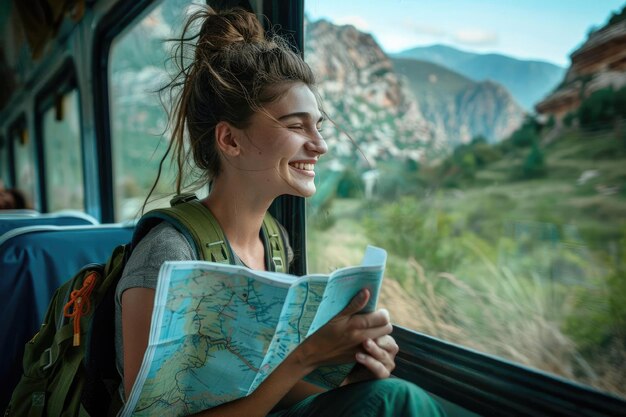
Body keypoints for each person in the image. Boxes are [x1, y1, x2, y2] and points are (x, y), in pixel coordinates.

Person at [114, 7, 444, 417]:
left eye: (318, 125)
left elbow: (263, 386)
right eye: (296, 126)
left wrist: (347, 378)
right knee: (397, 403)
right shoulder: (167, 256)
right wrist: (305, 357)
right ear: (230, 140)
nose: (320, 144)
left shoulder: (274, 241)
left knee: (386, 394)